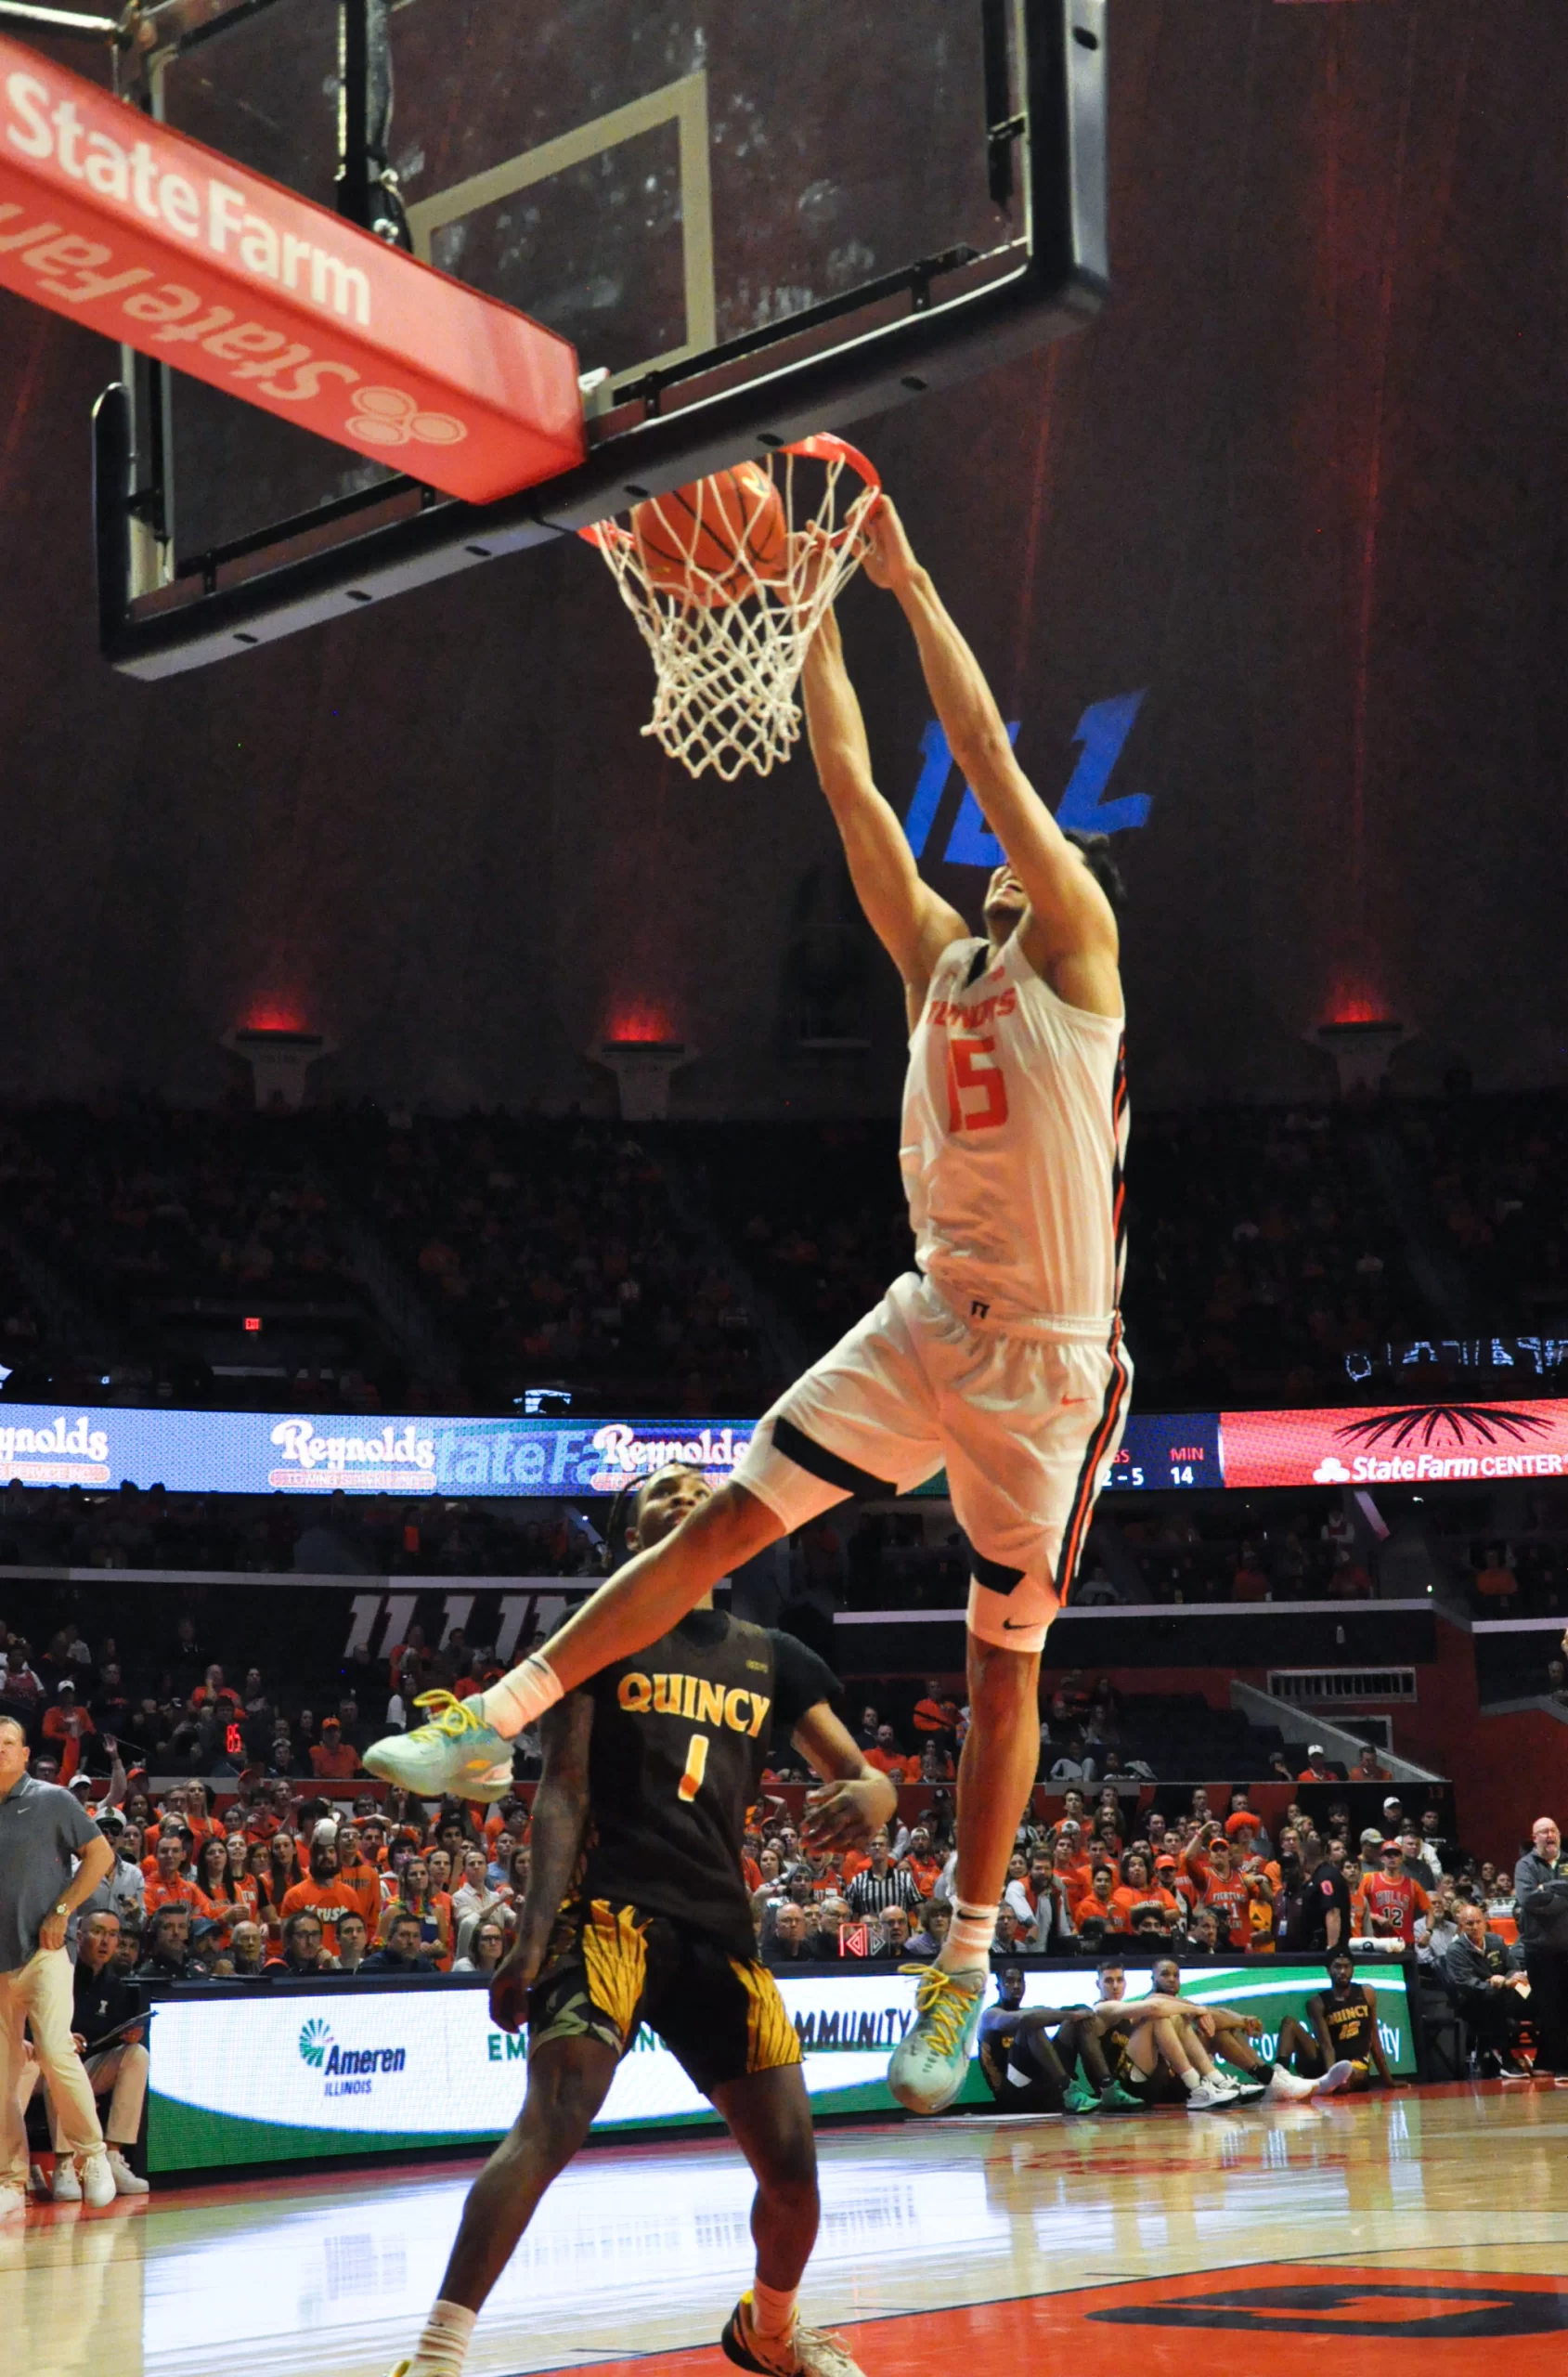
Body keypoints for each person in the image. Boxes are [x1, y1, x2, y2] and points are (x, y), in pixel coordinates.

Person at [365, 500, 1132, 2121]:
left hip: (1049, 1367)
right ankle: (490, 1722)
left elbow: (983, 750)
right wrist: (805, 615)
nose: (995, 856)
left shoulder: (1078, 955)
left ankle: (961, 1958)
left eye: (1023, 850)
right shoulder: (938, 960)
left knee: (1004, 1665)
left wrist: (913, 580)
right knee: (718, 1518)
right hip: (927, 1315)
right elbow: (854, 788)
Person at [382, 1461, 894, 2377]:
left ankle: (769, 2330)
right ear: (627, 1538)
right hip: (605, 1914)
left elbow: (860, 1774)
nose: (686, 1493)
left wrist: (877, 1793)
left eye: (701, 1484)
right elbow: (562, 1788)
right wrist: (530, 1941)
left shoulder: (774, 1653)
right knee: (554, 2118)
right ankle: (435, 2354)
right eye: (660, 1489)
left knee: (794, 2175)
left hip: (718, 1930)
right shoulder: (597, 1634)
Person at [0, 1712, 118, 2218]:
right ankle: (10, 2178)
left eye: (7, 1743)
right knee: (2, 2077)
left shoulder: (52, 1799)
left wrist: (64, 1911)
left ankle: (94, 2156)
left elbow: (100, 1856)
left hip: (46, 1951)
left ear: (26, 1754)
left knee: (52, 2049)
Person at [17, 1909, 149, 2198]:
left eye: (113, 1935)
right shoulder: (58, 1972)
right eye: (98, 1932)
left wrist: (126, 2036)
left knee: (136, 2054)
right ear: (78, 1937)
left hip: (88, 2066)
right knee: (61, 2060)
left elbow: (104, 2036)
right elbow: (22, 2024)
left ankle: (112, 2156)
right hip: (40, 2065)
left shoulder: (115, 1985)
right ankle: (64, 2164)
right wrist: (59, 2039)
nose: (106, 1941)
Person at [1275, 1951, 1399, 2091]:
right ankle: (1278, 2082)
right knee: (1289, 2023)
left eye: (1347, 1967)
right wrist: (1331, 2078)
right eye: (1337, 1967)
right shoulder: (1317, 2003)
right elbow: (1326, 2045)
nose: (1342, 1971)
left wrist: (1389, 2081)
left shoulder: (1367, 1993)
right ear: (1328, 1970)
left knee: (1352, 2075)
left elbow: (1375, 2042)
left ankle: (1330, 2084)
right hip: (1327, 2062)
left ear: (1353, 1969)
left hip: (1355, 2065)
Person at [1442, 1904, 1531, 2077]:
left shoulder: (1495, 1941)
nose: (1475, 1927)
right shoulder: (1455, 1951)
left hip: (1503, 1993)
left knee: (1540, 1999)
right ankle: (1506, 2059)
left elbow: (1513, 1967)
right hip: (1470, 2002)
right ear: (1461, 1926)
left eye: (1478, 1922)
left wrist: (1511, 1978)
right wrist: (1497, 1984)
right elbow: (1466, 1984)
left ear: (1485, 1923)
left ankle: (1548, 2057)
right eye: (1469, 1924)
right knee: (1494, 2002)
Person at [1513, 1814, 1568, 2075]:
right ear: (1535, 1838)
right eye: (1543, 1832)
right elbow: (1528, 1900)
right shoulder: (1525, 1866)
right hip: (1540, 1950)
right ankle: (1555, 2065)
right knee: (1550, 2006)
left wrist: (1547, 1887)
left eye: (1553, 1830)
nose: (1549, 1835)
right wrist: (1562, 1897)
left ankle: (1548, 2063)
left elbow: (1540, 1897)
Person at [977, 1965, 1068, 2112]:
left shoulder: (1025, 2013)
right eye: (1009, 1981)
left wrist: (1076, 2015)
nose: (1016, 1986)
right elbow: (1023, 2019)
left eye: (1020, 1981)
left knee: (1073, 2026)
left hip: (1034, 2085)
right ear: (998, 1986)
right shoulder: (991, 2015)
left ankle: (1105, 2086)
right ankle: (1067, 2087)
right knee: (1032, 2024)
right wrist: (1069, 2015)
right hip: (1010, 2092)